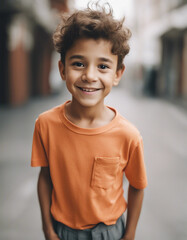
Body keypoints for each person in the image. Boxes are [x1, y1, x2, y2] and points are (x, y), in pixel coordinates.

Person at [31, 2, 148, 240]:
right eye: (78, 63)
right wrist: (48, 229)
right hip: (61, 230)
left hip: (109, 232)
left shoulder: (128, 135)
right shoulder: (46, 125)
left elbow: (137, 186)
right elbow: (45, 177)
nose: (90, 76)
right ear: (63, 69)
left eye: (103, 66)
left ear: (117, 74)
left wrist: (130, 234)